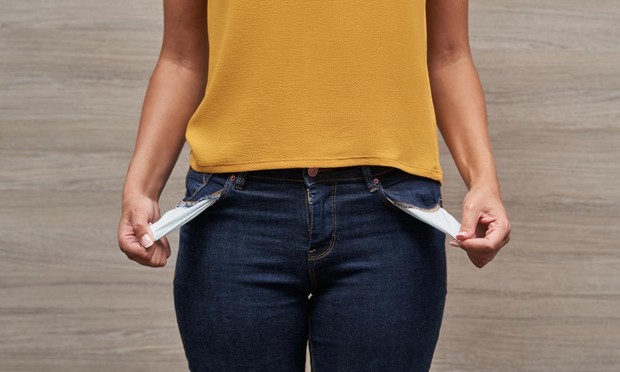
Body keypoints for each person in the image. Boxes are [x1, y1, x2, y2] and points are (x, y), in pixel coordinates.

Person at [118, 0, 511, 370]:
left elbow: (449, 55)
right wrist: (140, 187)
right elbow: (182, 58)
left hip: (388, 218)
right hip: (235, 214)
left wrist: (483, 181)